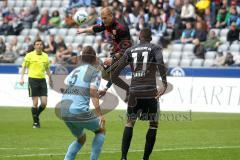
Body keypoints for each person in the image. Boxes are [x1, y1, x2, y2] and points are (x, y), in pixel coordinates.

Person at [112, 28, 168, 160]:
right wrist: (164, 83)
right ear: (151, 38)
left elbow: (114, 75)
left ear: (139, 38)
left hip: (134, 92)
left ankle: (124, 158)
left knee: (130, 123)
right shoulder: (155, 48)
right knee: (153, 124)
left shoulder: (129, 50)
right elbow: (160, 63)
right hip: (150, 91)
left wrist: (128, 88)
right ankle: (145, 158)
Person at [61, 46, 105, 160]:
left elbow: (66, 86)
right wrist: (100, 114)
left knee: (81, 139)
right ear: (95, 58)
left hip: (64, 110)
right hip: (78, 109)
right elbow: (91, 91)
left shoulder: (75, 70)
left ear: (81, 58)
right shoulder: (95, 71)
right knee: (101, 130)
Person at [77, 7, 131, 99]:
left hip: (125, 54)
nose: (103, 20)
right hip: (116, 52)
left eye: (105, 18)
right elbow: (96, 28)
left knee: (108, 72)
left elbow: (127, 47)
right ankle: (129, 89)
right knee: (105, 74)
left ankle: (130, 90)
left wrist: (113, 58)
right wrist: (83, 30)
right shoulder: (107, 24)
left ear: (111, 16)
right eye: (102, 18)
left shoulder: (121, 27)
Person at [20, 39, 52, 128]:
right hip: (32, 80)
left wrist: (50, 78)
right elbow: (24, 67)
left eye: (40, 44)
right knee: (35, 102)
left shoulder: (45, 56)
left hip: (42, 80)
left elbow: (47, 69)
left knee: (44, 103)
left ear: (42, 46)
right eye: (37, 44)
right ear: (34, 46)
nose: (39, 46)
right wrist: (22, 78)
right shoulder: (29, 55)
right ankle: (36, 122)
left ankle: (36, 115)